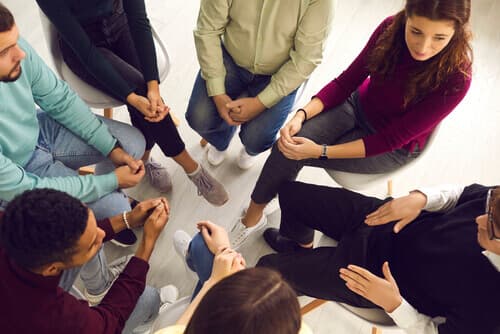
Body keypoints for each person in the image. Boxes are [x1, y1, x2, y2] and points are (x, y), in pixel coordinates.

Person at [231, 0, 473, 248]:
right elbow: (346, 82)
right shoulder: (390, 29)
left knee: (293, 154)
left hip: (392, 147)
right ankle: (254, 218)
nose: (423, 47)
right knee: (287, 147)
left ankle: (294, 237)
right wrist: (301, 114)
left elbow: (391, 139)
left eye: (439, 38)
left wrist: (320, 151)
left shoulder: (457, 78)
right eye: (416, 31)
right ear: (406, 16)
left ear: (458, 32)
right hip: (357, 106)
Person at [36, 0, 228, 206]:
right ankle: (192, 169)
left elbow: (138, 20)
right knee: (139, 90)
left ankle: (143, 159)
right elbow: (86, 51)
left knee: (146, 91)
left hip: (120, 23)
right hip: (83, 46)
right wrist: (133, 97)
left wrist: (153, 86)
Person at [258, 181, 500, 334]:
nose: (478, 219)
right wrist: (422, 198)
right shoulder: (496, 205)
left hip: (376, 279)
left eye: (491, 227)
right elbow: (462, 195)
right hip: (387, 222)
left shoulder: (492, 311)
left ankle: (297, 275)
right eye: (488, 211)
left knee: (266, 273)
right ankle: (302, 249)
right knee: (290, 194)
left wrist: (394, 304)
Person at [0, 3, 143, 249]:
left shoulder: (16, 49)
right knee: (113, 208)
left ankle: (103, 203)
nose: (20, 54)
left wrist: (112, 149)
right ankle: (106, 218)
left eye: (16, 41)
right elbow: (27, 188)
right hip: (19, 176)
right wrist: (110, 182)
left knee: (130, 144)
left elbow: (59, 99)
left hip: (40, 133)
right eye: (4, 51)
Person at [0, 189, 178, 334]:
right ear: (52, 268)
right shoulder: (48, 316)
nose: (102, 236)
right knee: (148, 298)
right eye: (92, 243)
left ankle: (99, 288)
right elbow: (108, 325)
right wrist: (147, 243)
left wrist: (128, 219)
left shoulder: (11, 223)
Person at [186, 0, 335, 170]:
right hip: (231, 58)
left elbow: (306, 59)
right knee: (198, 118)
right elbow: (207, 31)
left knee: (257, 139)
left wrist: (261, 102)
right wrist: (217, 92)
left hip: (281, 71)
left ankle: (250, 151)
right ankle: (221, 141)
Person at [153, 222, 312, 334]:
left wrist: (213, 281)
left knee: (202, 245)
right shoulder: (296, 328)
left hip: (182, 323)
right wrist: (225, 251)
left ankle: (160, 309)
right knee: (205, 247)